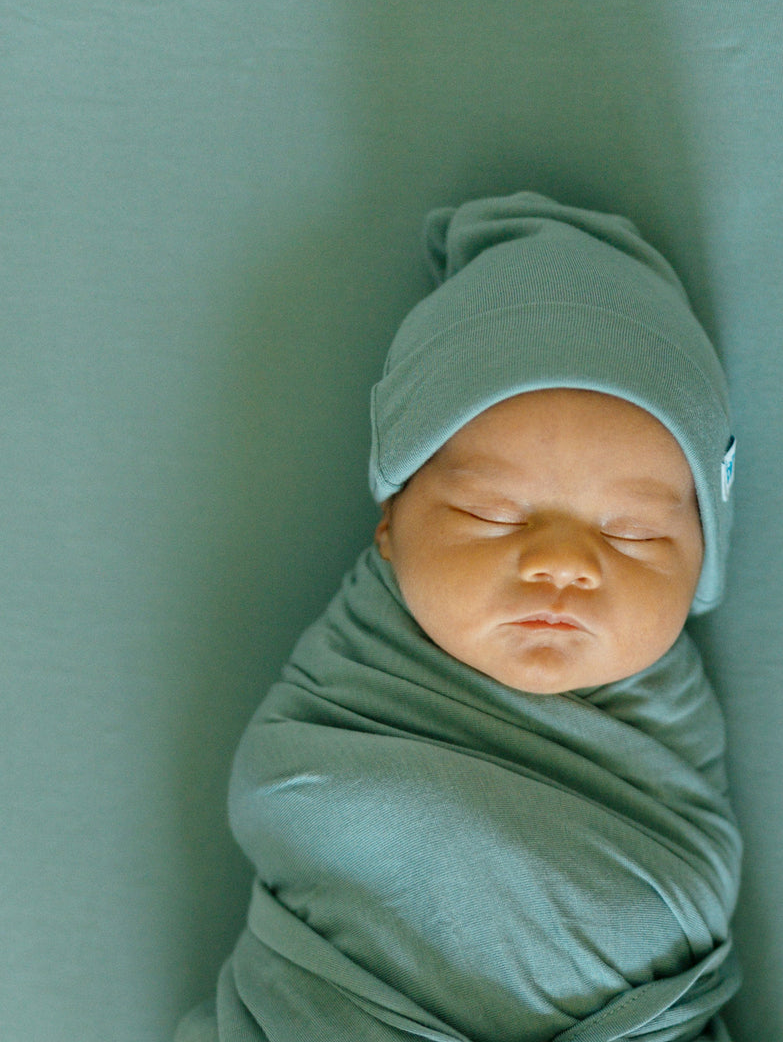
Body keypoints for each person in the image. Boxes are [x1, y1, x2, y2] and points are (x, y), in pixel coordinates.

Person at [176, 192, 742, 1042]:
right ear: (390, 526)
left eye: (632, 532)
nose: (563, 563)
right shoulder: (353, 689)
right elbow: (305, 793)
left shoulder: (672, 734)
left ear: (701, 564)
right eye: (493, 514)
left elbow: (673, 895)